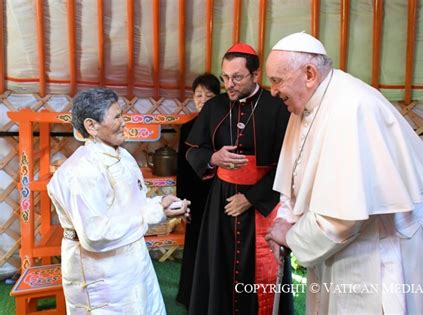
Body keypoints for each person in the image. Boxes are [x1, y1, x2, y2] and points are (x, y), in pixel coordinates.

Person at [264, 32, 423, 314]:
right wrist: (285, 220)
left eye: (276, 80)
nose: (272, 91)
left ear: (309, 73)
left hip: (390, 247)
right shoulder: (306, 105)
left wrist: (291, 237)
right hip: (353, 245)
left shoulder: (350, 108)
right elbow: (294, 172)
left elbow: (344, 218)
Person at [47, 88, 189, 314]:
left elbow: (131, 205)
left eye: (122, 115)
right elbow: (95, 234)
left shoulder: (123, 156)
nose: (124, 122)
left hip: (131, 258)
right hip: (101, 270)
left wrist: (160, 205)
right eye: (116, 117)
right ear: (92, 125)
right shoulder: (80, 172)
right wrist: (151, 215)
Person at [186, 43, 293, 314]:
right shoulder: (214, 107)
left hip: (261, 202)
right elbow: (193, 150)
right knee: (219, 264)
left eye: (237, 77)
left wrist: (250, 198)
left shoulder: (278, 108)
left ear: (256, 75)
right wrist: (213, 159)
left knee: (257, 269)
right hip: (221, 202)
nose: (229, 84)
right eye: (225, 77)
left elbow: (289, 165)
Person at [176, 73, 220, 307]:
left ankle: (215, 296)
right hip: (195, 196)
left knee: (217, 245)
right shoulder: (187, 128)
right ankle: (191, 297)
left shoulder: (224, 127)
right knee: (194, 243)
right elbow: (182, 170)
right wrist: (183, 203)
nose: (203, 100)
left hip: (219, 195)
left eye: (209, 95)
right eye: (198, 95)